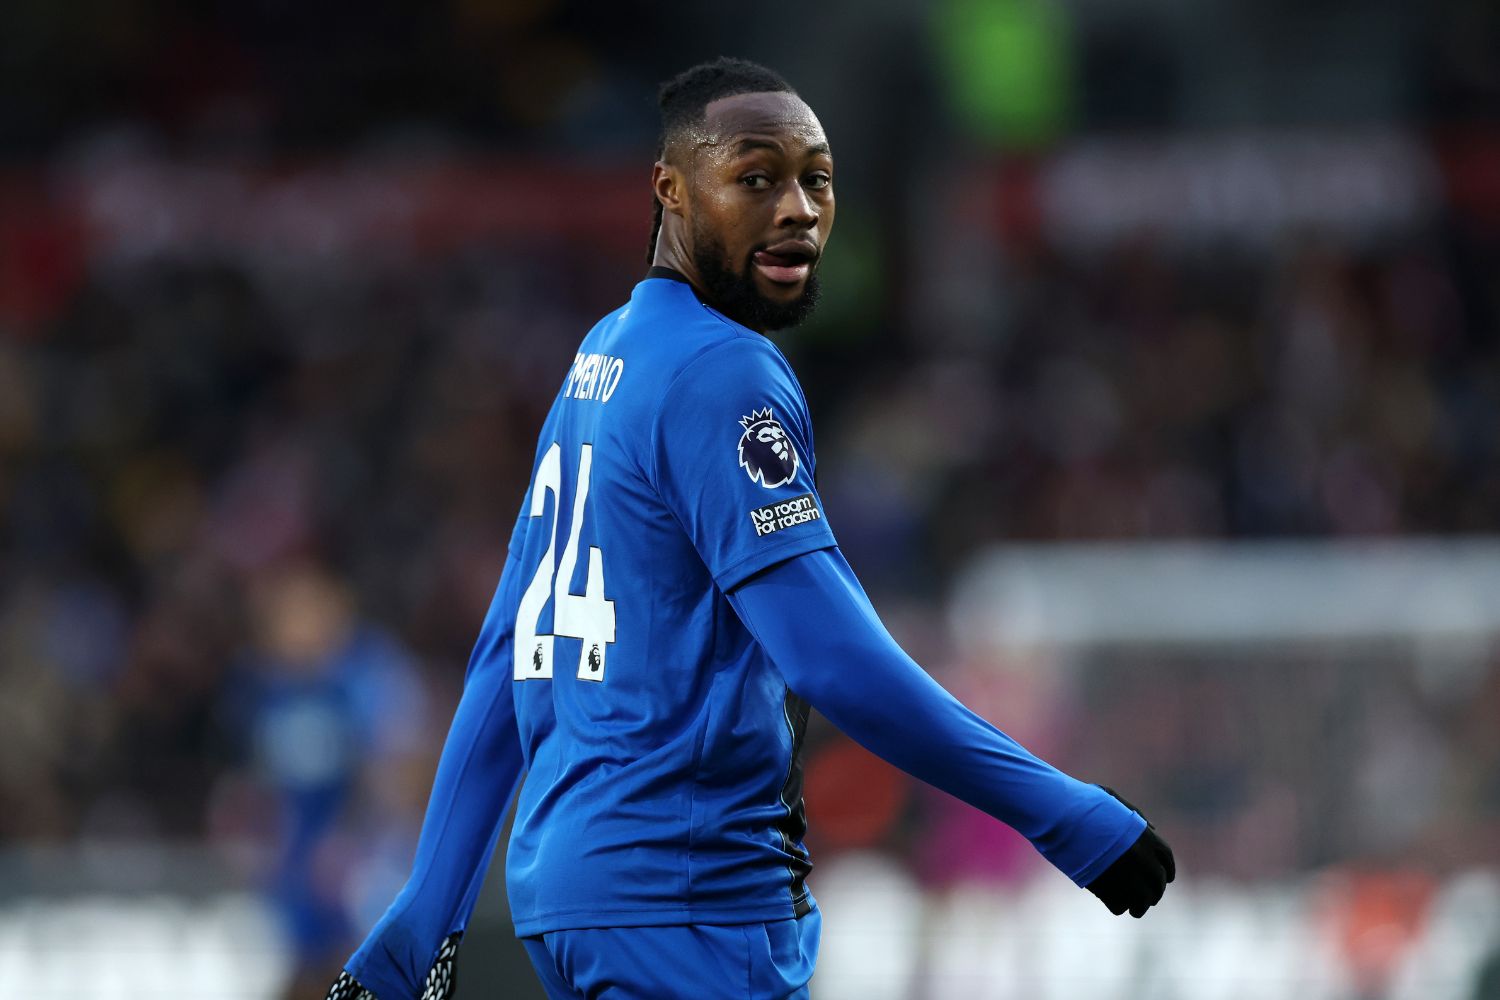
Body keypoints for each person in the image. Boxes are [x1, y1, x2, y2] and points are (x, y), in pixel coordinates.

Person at [325, 56, 1173, 1000]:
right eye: (756, 178)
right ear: (671, 192)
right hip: (688, 901)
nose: (800, 209)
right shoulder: (724, 374)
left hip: (577, 896)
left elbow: (508, 651)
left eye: (817, 179)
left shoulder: (599, 359)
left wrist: (426, 911)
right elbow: (832, 660)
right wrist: (1066, 814)